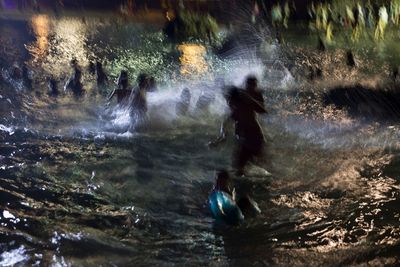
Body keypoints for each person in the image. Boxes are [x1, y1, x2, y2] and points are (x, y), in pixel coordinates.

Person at [209, 82, 267, 176]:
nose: (227, 102)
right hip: (252, 141)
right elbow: (225, 129)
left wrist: (249, 98)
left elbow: (262, 111)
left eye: (227, 99)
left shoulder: (240, 109)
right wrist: (218, 140)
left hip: (251, 142)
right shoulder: (240, 110)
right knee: (244, 169)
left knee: (240, 169)